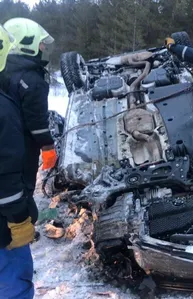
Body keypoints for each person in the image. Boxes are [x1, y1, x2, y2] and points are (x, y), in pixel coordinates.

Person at [1, 18, 57, 213]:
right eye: (40, 42)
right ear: (27, 44)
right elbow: (36, 120)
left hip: (7, 138)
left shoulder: (7, 70)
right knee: (23, 186)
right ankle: (21, 221)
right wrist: (48, 145)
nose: (43, 46)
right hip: (23, 145)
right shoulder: (32, 79)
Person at [0, 24, 35, 299]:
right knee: (14, 284)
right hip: (2, 226)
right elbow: (6, 172)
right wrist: (18, 219)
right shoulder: (2, 109)